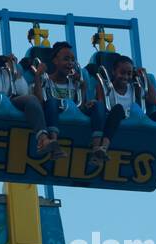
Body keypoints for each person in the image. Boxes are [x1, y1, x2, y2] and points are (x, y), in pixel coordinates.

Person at [33, 41, 120, 170]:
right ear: (55, 61)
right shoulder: (46, 81)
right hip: (54, 111)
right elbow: (39, 102)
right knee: (51, 102)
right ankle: (53, 142)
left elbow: (80, 106)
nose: (70, 63)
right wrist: (37, 76)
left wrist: (83, 88)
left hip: (74, 112)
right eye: (66, 59)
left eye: (72, 60)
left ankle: (97, 147)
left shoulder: (75, 83)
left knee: (98, 105)